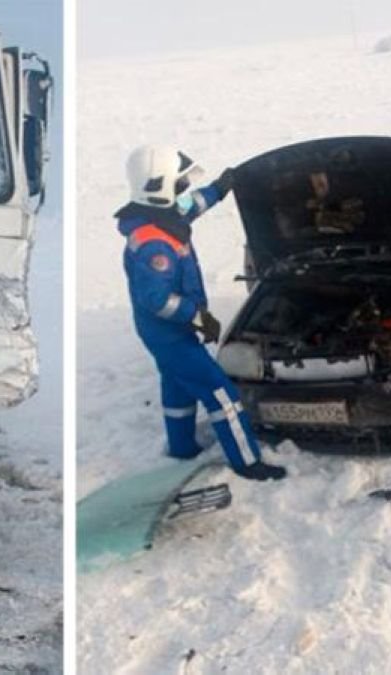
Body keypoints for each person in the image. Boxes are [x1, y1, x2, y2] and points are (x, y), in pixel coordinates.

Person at [116, 145, 286, 480]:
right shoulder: (154, 245)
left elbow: (190, 205)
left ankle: (181, 447)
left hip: (164, 332)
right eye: (178, 184)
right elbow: (158, 300)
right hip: (168, 333)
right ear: (160, 187)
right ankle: (248, 462)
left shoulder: (160, 214)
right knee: (221, 393)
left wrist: (221, 189)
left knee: (177, 386)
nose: (183, 191)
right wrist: (199, 318)